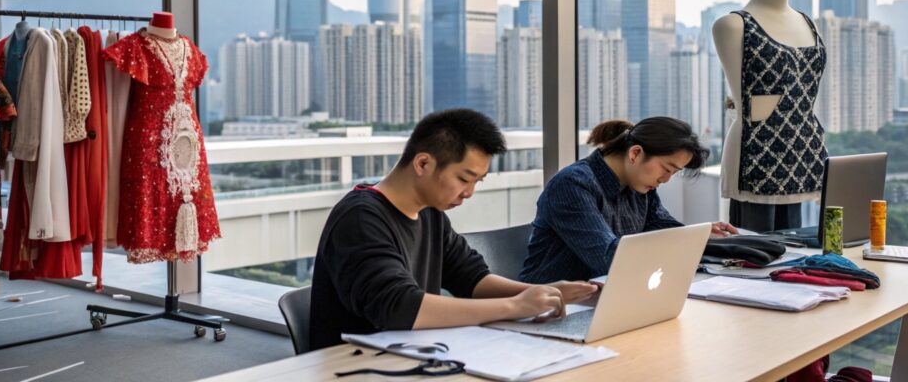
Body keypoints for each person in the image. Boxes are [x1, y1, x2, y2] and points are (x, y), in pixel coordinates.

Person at [308, 109, 598, 350]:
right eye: (464, 178)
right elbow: (399, 308)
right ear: (423, 163)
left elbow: (470, 278)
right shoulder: (360, 218)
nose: (469, 193)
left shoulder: (430, 213)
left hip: (413, 357)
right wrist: (515, 306)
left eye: (477, 182)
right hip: (357, 368)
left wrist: (541, 292)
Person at [519, 117, 738, 284]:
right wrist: (683, 241)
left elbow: (663, 230)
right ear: (635, 154)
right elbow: (608, 258)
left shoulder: (641, 186)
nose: (665, 179)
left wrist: (699, 234)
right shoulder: (572, 185)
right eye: (667, 169)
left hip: (609, 298)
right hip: (552, 308)